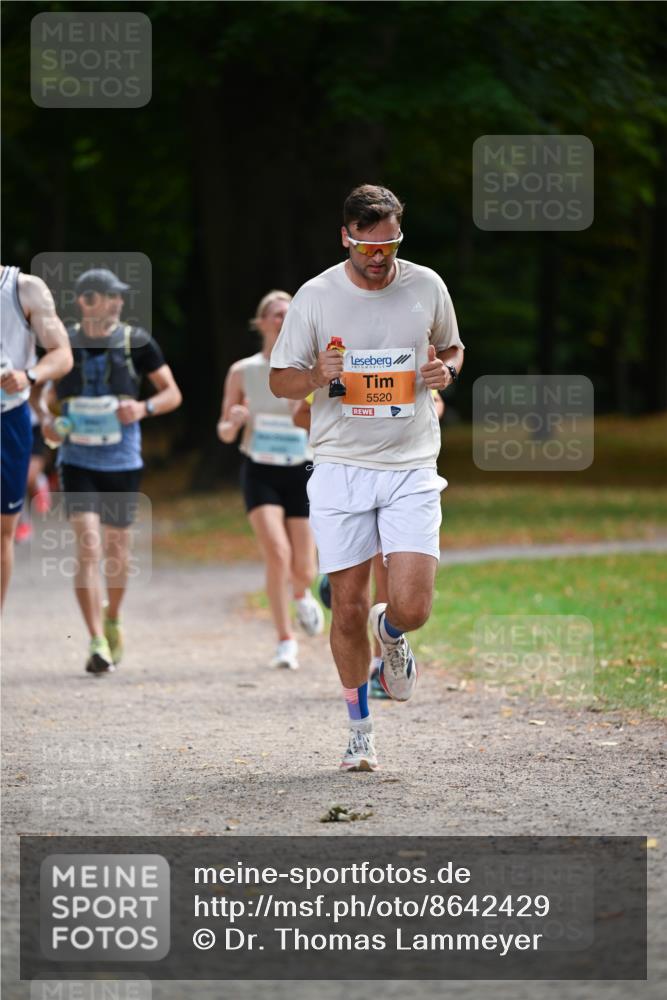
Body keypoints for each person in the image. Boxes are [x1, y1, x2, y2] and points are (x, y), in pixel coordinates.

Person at [270, 184, 464, 771]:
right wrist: (314, 375)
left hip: (410, 464)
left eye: (390, 245)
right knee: (348, 607)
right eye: (367, 247)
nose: (379, 257)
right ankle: (359, 731)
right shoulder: (316, 296)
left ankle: (394, 634)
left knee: (413, 605)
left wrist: (446, 372)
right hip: (340, 468)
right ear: (346, 237)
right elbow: (280, 381)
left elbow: (453, 349)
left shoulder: (426, 286)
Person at [37, 267, 182, 673]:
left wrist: (143, 407)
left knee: (118, 552)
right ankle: (96, 639)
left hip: (122, 462)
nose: (118, 302)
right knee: (88, 546)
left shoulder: (137, 342)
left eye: (120, 296)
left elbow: (172, 393)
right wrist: (47, 423)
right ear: (86, 302)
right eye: (109, 295)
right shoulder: (62, 344)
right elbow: (39, 398)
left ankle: (112, 617)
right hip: (76, 461)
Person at [217, 290, 324, 671]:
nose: (283, 319)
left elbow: (321, 421)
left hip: (301, 469)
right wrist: (234, 422)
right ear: (261, 322)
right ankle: (285, 641)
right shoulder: (242, 371)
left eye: (288, 313)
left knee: (305, 567)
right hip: (259, 470)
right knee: (277, 553)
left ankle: (301, 594)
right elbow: (224, 432)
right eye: (276, 314)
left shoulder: (310, 368)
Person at [0, 265, 73, 607]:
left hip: (8, 420)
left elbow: (62, 354)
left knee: (3, 533)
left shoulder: (25, 289)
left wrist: (29, 375)